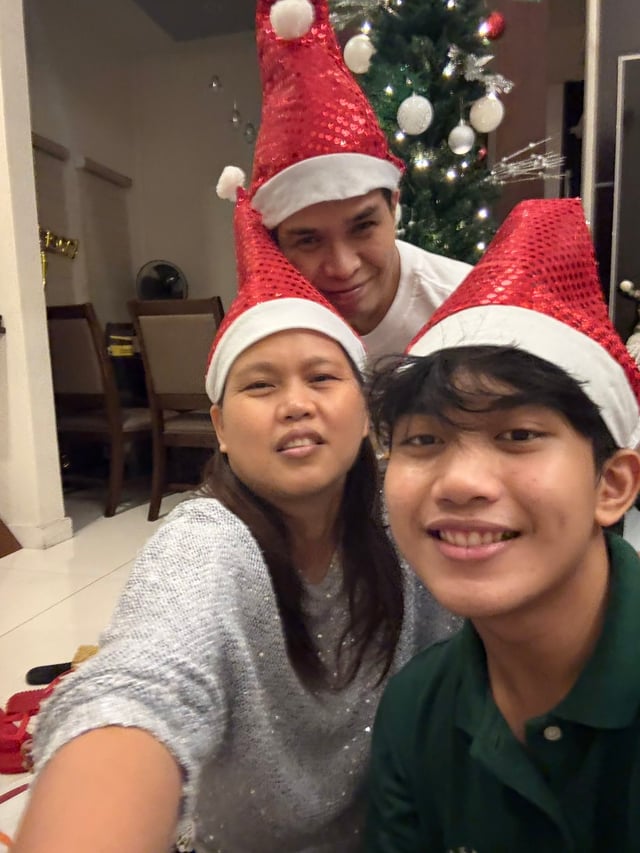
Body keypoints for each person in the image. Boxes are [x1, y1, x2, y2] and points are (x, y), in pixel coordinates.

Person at [12, 190, 456, 853]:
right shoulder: (207, 545)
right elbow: (141, 683)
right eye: (260, 385)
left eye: (322, 377)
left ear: (366, 409)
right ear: (219, 425)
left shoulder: (414, 520)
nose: (296, 404)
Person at [365, 198, 640, 852]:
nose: (460, 483)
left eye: (518, 434)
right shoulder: (414, 709)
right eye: (424, 440)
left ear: (611, 485)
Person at [217, 0, 470, 360]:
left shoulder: (468, 308)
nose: (343, 266)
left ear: (393, 206)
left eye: (363, 226)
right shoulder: (272, 326)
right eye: (308, 240)